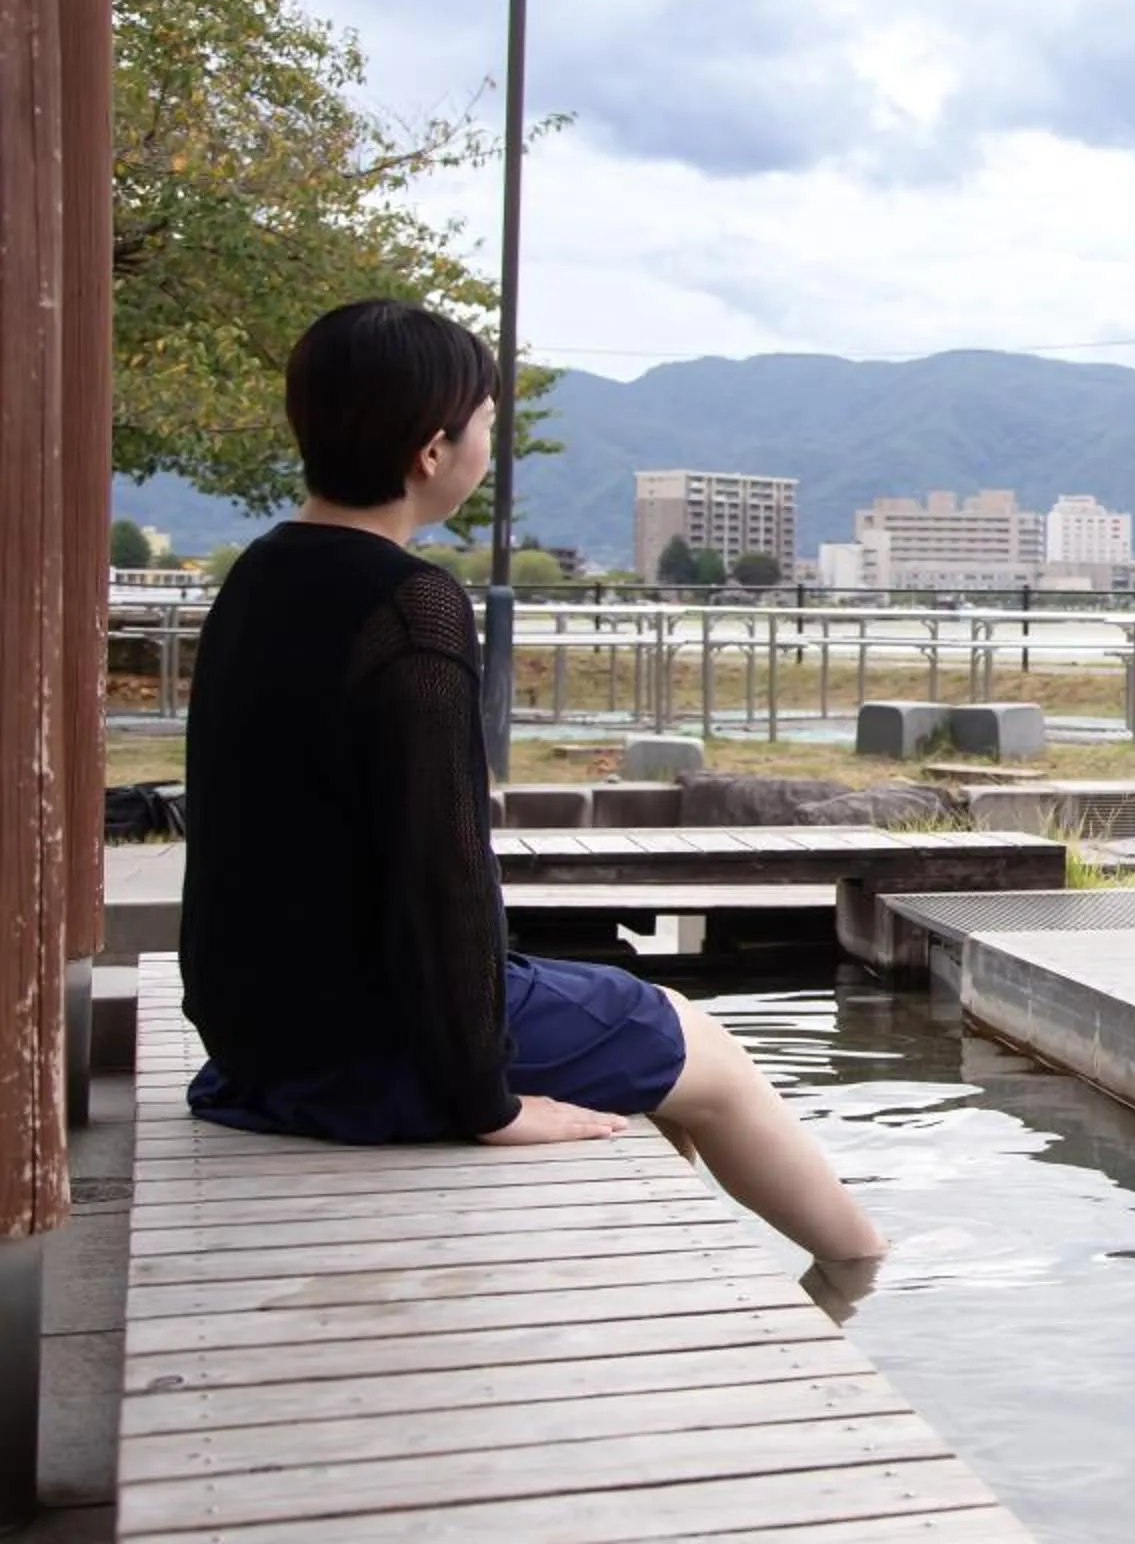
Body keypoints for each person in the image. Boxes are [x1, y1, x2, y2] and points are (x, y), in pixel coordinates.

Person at [178, 298, 884, 1265]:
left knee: (648, 1053)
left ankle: (690, 1274)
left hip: (262, 1039)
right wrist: (487, 1102)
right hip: (374, 1042)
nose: (489, 445)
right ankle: (861, 1271)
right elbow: (446, 869)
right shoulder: (409, 604)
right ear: (432, 451)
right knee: (707, 1051)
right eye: (486, 425)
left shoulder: (256, 577)